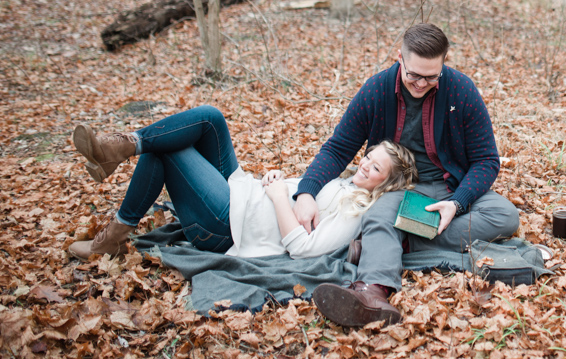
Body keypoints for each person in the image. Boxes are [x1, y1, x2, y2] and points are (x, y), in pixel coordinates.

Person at [295, 23, 520, 327]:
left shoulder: (462, 91)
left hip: (448, 186)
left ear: (444, 63)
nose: (420, 83)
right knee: (378, 216)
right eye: (413, 75)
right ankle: (370, 293)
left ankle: (400, 242)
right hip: (399, 188)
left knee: (505, 216)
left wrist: (458, 203)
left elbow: (486, 160)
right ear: (399, 57)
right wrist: (306, 191)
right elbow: (338, 148)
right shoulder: (376, 89)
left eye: (431, 77)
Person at [68, 105, 418, 261]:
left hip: (228, 226)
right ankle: (122, 145)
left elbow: (303, 249)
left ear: (384, 186)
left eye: (374, 170)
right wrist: (278, 178)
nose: (364, 165)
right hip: (243, 194)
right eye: (369, 157)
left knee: (167, 152)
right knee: (209, 118)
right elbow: (299, 194)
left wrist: (280, 197)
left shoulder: (356, 211)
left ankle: (111, 237)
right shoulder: (346, 184)